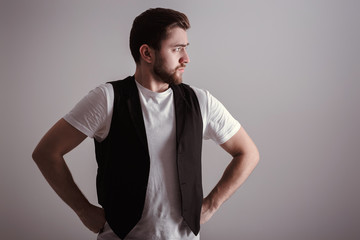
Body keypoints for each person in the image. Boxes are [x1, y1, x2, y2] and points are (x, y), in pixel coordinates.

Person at [32, 8, 259, 240]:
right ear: (147, 53)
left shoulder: (200, 102)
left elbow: (248, 153)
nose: (186, 58)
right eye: (176, 48)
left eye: (186, 48)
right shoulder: (108, 98)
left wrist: (212, 204)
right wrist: (83, 210)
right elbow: (46, 152)